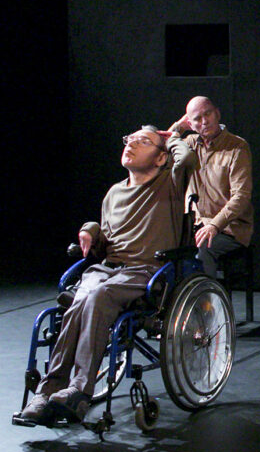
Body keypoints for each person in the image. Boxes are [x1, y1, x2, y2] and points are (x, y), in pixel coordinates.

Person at [14, 126, 194, 426]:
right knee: (80, 298)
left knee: (95, 296)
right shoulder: (114, 193)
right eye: (129, 139)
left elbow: (186, 157)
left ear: (161, 158)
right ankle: (46, 392)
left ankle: (80, 390)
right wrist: (91, 230)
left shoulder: (170, 184)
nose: (131, 144)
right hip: (108, 270)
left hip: (147, 271)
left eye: (143, 142)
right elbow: (105, 241)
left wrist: (171, 136)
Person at [166, 95, 253, 284]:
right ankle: (174, 306)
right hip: (194, 225)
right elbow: (161, 149)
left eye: (208, 114)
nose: (205, 121)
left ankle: (208, 306)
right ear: (190, 122)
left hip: (229, 228)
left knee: (204, 246)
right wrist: (179, 127)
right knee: (162, 243)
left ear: (217, 114)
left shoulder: (237, 147)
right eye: (197, 118)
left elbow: (241, 195)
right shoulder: (189, 144)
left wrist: (214, 224)